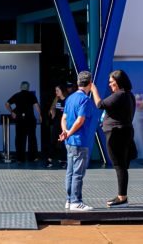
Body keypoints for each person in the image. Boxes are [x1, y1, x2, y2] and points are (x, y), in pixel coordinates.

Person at [90, 69, 136, 207]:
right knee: (121, 166)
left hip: (117, 134)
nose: (110, 85)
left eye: (112, 82)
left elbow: (100, 104)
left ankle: (122, 198)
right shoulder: (128, 95)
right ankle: (122, 196)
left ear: (119, 82)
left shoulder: (120, 95)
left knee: (119, 165)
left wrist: (93, 89)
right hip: (124, 132)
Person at [58, 71, 96, 211]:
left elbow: (64, 118)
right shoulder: (85, 100)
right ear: (90, 84)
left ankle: (69, 200)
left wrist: (65, 132)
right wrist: (69, 132)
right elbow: (80, 120)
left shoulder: (70, 98)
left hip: (69, 142)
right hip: (80, 141)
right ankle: (76, 201)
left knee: (70, 171)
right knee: (78, 173)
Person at [5, 81, 42, 162]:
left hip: (19, 120)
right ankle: (32, 157)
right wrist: (40, 115)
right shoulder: (31, 95)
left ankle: (20, 158)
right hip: (30, 119)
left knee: (19, 139)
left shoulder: (17, 95)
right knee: (32, 138)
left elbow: (7, 104)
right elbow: (36, 106)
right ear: (28, 87)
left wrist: (12, 112)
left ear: (20, 87)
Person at [46, 84, 68, 168]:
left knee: (63, 143)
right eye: (55, 90)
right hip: (56, 123)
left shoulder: (67, 100)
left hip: (64, 124)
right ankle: (49, 159)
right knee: (53, 141)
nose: (56, 92)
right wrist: (53, 112)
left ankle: (63, 160)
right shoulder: (56, 99)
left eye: (57, 90)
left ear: (62, 91)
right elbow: (52, 108)